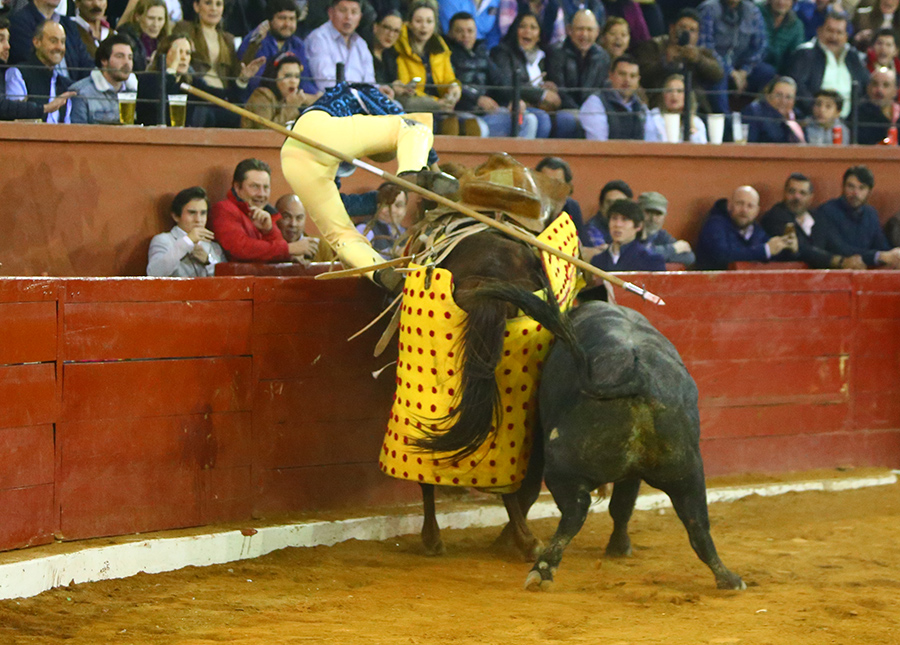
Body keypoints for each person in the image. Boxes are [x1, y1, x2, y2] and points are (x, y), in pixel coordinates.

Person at [280, 81, 457, 290]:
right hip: (316, 130)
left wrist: (376, 200)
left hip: (291, 157)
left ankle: (379, 271)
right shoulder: (362, 91)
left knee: (341, 235)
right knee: (416, 127)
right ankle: (413, 170)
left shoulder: (345, 138)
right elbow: (403, 118)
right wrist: (434, 171)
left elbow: (341, 204)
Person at [171, 0, 265, 127]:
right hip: (195, 99)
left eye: (218, 4)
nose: (213, 9)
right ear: (196, 6)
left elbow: (233, 81)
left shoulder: (228, 39)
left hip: (222, 100)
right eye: (208, 3)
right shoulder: (185, 29)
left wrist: (243, 78)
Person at [446, 11, 538, 137]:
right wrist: (477, 99)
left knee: (529, 120)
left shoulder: (482, 53)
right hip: (462, 111)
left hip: (488, 112)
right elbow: (448, 83)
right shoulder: (445, 55)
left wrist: (514, 99)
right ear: (450, 33)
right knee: (479, 128)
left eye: (470, 31)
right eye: (460, 31)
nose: (465, 35)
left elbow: (500, 81)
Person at [210, 158, 310, 262]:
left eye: (266, 187)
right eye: (254, 186)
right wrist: (288, 249)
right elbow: (240, 248)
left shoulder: (268, 214)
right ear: (237, 187)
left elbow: (277, 250)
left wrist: (269, 231)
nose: (261, 194)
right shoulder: (224, 210)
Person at [760, 172, 866, 269]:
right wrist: (839, 261)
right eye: (792, 191)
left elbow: (838, 246)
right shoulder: (775, 216)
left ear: (811, 197)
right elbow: (802, 249)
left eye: (802, 193)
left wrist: (874, 256)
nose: (797, 197)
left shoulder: (818, 218)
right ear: (784, 193)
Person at [634, 8, 723, 114]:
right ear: (672, 28)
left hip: (694, 109)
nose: (687, 33)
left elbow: (718, 75)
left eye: (692, 30)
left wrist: (698, 60)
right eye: (683, 27)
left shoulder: (700, 52)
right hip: (658, 107)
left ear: (698, 35)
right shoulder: (654, 46)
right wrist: (665, 61)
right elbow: (641, 75)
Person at [787, 10, 869, 117]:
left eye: (839, 32)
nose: (834, 37)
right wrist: (820, 110)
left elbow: (865, 87)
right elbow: (798, 88)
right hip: (814, 119)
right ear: (819, 31)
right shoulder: (805, 54)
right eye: (830, 31)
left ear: (846, 36)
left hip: (850, 122)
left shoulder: (853, 57)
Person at [393, 0, 461, 129]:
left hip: (441, 106)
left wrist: (454, 88)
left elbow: (448, 78)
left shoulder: (440, 47)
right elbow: (407, 90)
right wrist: (436, 103)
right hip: (414, 108)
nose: (424, 26)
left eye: (429, 21)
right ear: (409, 23)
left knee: (468, 123)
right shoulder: (400, 48)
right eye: (419, 21)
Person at [488, 10, 556, 139]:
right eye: (522, 26)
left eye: (533, 27)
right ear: (515, 31)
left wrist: (550, 87)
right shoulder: (502, 52)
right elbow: (507, 85)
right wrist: (542, 95)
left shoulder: (544, 57)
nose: (527, 31)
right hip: (508, 105)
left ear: (539, 35)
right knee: (541, 120)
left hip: (536, 107)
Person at [695, 185, 797, 270]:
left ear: (757, 211)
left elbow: (771, 252)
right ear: (729, 205)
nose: (744, 210)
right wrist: (764, 250)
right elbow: (723, 255)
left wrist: (788, 249)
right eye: (740, 203)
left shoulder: (757, 231)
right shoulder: (715, 225)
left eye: (750, 206)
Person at [698, 0, 774, 114]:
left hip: (742, 66)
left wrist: (744, 71)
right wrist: (731, 72)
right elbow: (706, 47)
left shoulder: (752, 11)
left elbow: (761, 45)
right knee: (719, 76)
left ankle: (755, 117)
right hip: (716, 65)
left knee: (767, 72)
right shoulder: (709, 8)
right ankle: (726, 122)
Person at [816, 165, 900, 268]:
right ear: (843, 187)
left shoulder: (871, 214)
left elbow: (882, 246)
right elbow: (838, 248)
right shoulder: (826, 211)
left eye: (862, 188)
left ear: (869, 192)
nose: (855, 193)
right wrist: (877, 256)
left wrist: (893, 255)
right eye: (851, 186)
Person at [545, 8, 609, 137]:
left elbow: (602, 90)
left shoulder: (603, 57)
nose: (584, 34)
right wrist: (581, 112)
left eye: (589, 30)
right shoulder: (556, 53)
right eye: (580, 29)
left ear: (597, 32)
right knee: (568, 120)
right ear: (569, 30)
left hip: (593, 110)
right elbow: (559, 90)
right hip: (565, 109)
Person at [237, 0, 318, 96]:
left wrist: (315, 97)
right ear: (269, 21)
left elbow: (305, 81)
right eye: (282, 18)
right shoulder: (256, 41)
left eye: (292, 19)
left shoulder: (297, 45)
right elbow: (257, 84)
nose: (287, 24)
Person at [0, 16, 74, 119]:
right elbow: (11, 113)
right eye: (53, 41)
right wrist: (45, 108)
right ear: (36, 42)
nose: (59, 47)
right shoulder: (19, 73)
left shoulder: (65, 84)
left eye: (62, 42)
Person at [147, 186, 227, 277]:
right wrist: (187, 241)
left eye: (203, 213)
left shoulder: (213, 246)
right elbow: (154, 273)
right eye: (192, 213)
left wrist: (208, 261)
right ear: (176, 216)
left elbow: (226, 280)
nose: (198, 219)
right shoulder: (163, 240)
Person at [8, 0, 94, 78]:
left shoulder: (69, 25)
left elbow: (86, 65)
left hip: (74, 90)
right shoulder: (18, 23)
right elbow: (31, 63)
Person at [580, 54, 657, 141]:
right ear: (610, 76)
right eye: (622, 74)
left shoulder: (641, 108)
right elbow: (598, 146)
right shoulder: (595, 103)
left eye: (632, 76)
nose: (627, 80)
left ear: (638, 80)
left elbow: (651, 142)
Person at [306, 0, 378, 91]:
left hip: (360, 100)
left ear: (360, 17)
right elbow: (326, 84)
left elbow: (370, 82)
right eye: (343, 11)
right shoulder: (319, 38)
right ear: (331, 13)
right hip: (332, 101)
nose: (348, 17)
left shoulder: (361, 44)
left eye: (354, 12)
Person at [68, 33, 136, 123]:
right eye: (120, 56)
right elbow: (76, 134)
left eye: (130, 57)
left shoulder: (134, 91)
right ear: (104, 60)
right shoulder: (81, 93)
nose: (127, 63)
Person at [241, 52, 316, 128]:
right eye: (287, 76)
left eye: (297, 76)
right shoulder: (261, 95)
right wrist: (290, 107)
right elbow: (266, 132)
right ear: (274, 76)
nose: (293, 81)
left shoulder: (292, 99)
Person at [590, 199, 666, 271]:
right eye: (614, 218)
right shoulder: (597, 261)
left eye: (625, 219)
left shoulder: (651, 261)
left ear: (638, 226)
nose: (617, 224)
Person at [135, 32, 191, 125]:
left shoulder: (190, 82)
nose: (183, 58)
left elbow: (215, 93)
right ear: (163, 55)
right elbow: (159, 96)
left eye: (188, 53)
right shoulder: (147, 79)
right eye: (178, 52)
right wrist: (172, 68)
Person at [741, 76, 806, 143]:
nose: (783, 101)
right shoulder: (754, 112)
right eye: (778, 95)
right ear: (768, 95)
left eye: (788, 97)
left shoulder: (798, 116)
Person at [638, 191, 696, 266]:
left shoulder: (660, 235)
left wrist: (655, 255)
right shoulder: (628, 233)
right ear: (637, 213)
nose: (653, 219)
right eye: (648, 213)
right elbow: (640, 255)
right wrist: (673, 249)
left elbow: (689, 257)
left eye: (658, 214)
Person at [579, 179, 632, 258]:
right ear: (601, 205)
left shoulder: (635, 227)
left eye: (620, 204)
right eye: (610, 203)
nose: (614, 208)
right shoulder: (590, 230)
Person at [647, 73, 708, 142]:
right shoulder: (653, 117)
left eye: (679, 91)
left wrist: (691, 125)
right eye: (669, 91)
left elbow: (701, 148)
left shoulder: (696, 122)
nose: (674, 95)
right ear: (663, 95)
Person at [355, 182, 407, 258]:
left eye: (398, 205)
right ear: (377, 206)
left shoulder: (409, 235)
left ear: (405, 209)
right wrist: (391, 252)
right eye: (386, 204)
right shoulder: (365, 229)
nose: (392, 210)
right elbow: (357, 258)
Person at [116, 0, 169, 72]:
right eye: (151, 18)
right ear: (137, 17)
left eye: (160, 19)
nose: (155, 24)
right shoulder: (126, 39)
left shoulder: (165, 41)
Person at [273, 193, 324, 262]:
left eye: (299, 218)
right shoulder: (267, 248)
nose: (293, 224)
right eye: (287, 217)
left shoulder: (321, 247)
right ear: (275, 217)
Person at [856, 66, 899, 144]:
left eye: (886, 85)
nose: (879, 90)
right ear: (868, 88)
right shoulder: (857, 114)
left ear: (895, 91)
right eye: (875, 84)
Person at [536, 155, 582, 226]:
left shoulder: (571, 206)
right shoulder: (528, 204)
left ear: (567, 188)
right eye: (547, 182)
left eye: (558, 184)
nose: (552, 188)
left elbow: (579, 236)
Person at [497, 0, 565, 48]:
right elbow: (505, 32)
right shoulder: (510, 1)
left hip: (543, 53)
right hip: (512, 51)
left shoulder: (554, 6)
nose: (528, 31)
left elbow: (559, 38)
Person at [760, 0, 804, 74]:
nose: (781, 2)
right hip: (753, 66)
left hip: (779, 73)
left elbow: (796, 54)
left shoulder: (796, 25)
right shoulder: (756, 13)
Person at [369, 9, 401, 88]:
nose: (391, 34)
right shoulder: (363, 51)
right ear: (375, 27)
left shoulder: (392, 56)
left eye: (396, 31)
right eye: (387, 28)